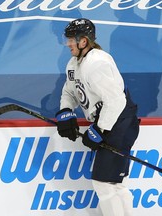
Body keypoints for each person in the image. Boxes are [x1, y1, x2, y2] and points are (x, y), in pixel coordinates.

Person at [55, 18, 139, 216]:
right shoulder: (74, 63)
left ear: (83, 41)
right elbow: (69, 90)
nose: (68, 44)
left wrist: (100, 129)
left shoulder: (97, 63)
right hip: (110, 121)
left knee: (104, 183)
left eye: (71, 40)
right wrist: (66, 111)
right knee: (113, 184)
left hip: (120, 122)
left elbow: (117, 101)